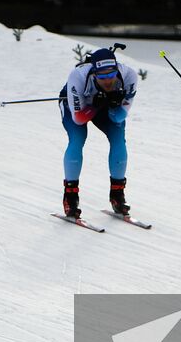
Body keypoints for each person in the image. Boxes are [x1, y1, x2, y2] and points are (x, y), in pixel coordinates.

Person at [59, 46, 138, 218]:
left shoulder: (129, 76)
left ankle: (118, 195)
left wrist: (113, 104)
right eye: (102, 76)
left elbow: (119, 117)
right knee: (77, 139)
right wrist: (95, 105)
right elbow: (78, 118)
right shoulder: (78, 76)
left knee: (118, 139)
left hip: (104, 107)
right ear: (94, 73)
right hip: (76, 108)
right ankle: (70, 197)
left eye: (111, 75)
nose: (108, 80)